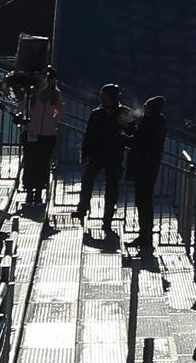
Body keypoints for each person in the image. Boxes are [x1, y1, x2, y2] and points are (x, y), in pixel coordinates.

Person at [78, 84, 128, 238]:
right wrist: (85, 153)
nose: (102, 98)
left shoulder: (124, 113)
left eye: (104, 95)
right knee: (87, 180)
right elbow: (88, 134)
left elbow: (131, 131)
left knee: (111, 187)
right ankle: (82, 208)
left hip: (114, 155)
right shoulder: (96, 113)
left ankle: (107, 219)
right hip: (96, 153)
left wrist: (123, 139)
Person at [17, 69, 66, 222]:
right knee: (30, 161)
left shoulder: (55, 94)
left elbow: (60, 111)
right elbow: (21, 107)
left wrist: (52, 121)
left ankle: (38, 191)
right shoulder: (32, 93)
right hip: (33, 132)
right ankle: (29, 190)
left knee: (43, 163)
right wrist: (27, 119)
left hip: (48, 134)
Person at [124, 95, 169, 257]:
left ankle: (145, 237)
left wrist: (124, 138)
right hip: (148, 167)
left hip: (145, 167)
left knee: (144, 202)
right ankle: (144, 236)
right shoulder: (156, 123)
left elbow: (140, 142)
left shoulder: (152, 124)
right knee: (143, 202)